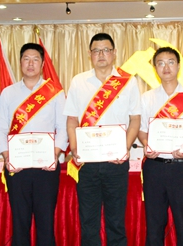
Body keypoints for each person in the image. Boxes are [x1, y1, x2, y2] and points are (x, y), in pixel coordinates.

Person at [64, 32, 141, 246]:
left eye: (106, 50)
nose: (101, 55)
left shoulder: (128, 82)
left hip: (116, 163)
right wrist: (74, 148)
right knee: (88, 223)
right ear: (89, 54)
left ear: (114, 53)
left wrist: (124, 148)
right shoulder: (78, 81)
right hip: (87, 164)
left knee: (116, 223)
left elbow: (135, 120)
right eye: (96, 51)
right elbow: (71, 120)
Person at [0, 43, 67, 246]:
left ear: (42, 64)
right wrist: (7, 157)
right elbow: (0, 128)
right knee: (20, 222)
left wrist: (54, 154)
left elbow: (62, 127)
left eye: (35, 59)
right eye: (26, 59)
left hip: (46, 168)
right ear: (20, 63)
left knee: (45, 223)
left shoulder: (55, 92)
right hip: (17, 167)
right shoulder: (8, 93)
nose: (30, 63)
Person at [138, 47, 183, 246]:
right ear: (155, 68)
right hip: (155, 167)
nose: (166, 67)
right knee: (154, 225)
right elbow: (141, 130)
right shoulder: (147, 98)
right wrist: (146, 144)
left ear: (178, 66)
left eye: (170, 62)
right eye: (160, 63)